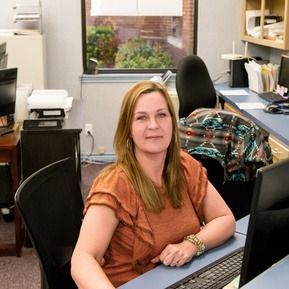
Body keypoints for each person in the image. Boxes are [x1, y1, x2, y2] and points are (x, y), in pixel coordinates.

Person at [71, 80, 235, 289]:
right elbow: (82, 260)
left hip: (182, 279)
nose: (153, 125)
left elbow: (225, 219)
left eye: (161, 115)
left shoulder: (184, 166)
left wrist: (191, 245)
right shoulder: (114, 184)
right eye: (141, 118)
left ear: (172, 122)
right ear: (128, 129)